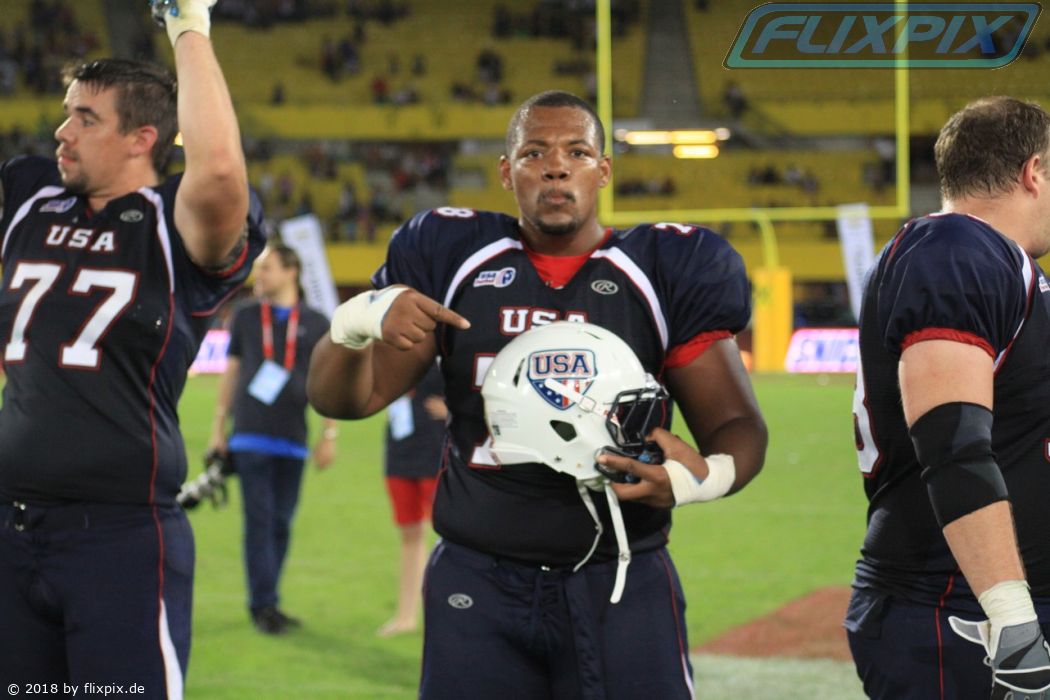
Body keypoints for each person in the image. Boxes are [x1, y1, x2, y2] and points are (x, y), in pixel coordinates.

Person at [308, 90, 767, 698]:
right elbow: (347, 399)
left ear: (603, 171)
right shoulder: (453, 256)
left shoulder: (664, 269)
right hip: (477, 580)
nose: (555, 167)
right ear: (506, 172)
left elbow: (736, 425)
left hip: (619, 578)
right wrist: (353, 322)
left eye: (577, 152)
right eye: (534, 153)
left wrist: (697, 480)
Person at [0, 0, 264, 693]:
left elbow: (219, 172)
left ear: (143, 138)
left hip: (119, 538)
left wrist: (188, 24)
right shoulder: (32, 198)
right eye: (66, 113)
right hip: (10, 528)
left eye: (86, 119)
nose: (62, 132)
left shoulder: (172, 222)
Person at [846, 96, 1050, 699]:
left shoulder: (998, 263)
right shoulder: (958, 248)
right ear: (1034, 172)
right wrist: (1013, 622)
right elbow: (952, 443)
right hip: (958, 612)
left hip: (976, 603)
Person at [207, 242, 336, 636]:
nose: (258, 275)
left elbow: (328, 381)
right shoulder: (246, 316)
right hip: (249, 435)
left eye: (266, 268)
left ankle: (269, 601)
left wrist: (329, 433)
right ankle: (262, 604)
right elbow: (232, 371)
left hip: (293, 438)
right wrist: (218, 428)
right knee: (260, 522)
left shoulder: (316, 322)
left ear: (291, 271)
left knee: (281, 523)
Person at [377, 362, 445, 637]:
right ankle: (406, 616)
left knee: (450, 538)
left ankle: (451, 615)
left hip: (438, 450)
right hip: (400, 449)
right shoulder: (393, 348)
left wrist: (456, 411)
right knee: (409, 533)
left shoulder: (447, 348)